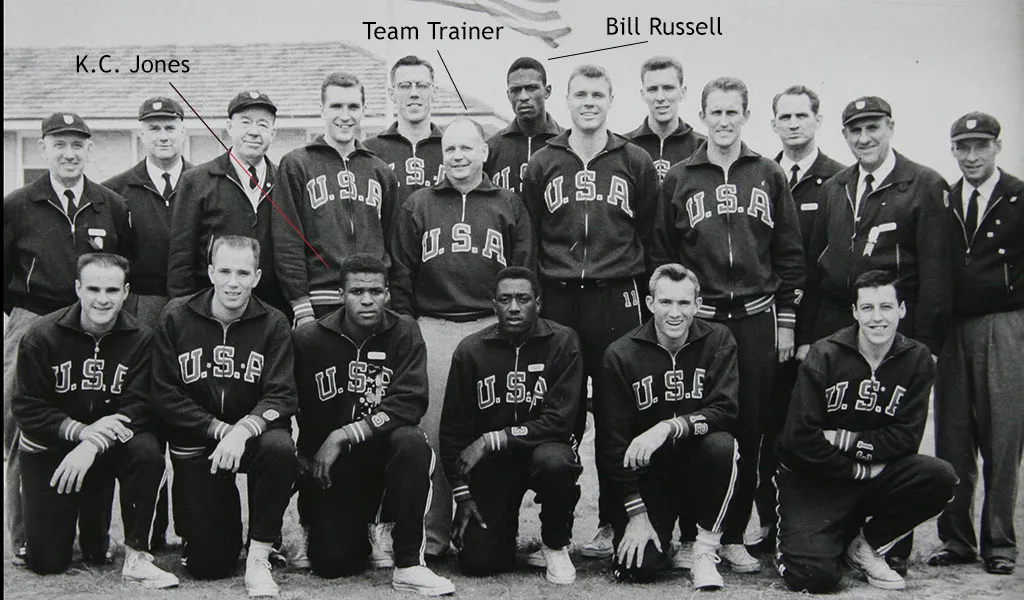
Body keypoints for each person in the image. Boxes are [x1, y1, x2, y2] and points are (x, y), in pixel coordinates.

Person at [650, 76, 805, 573]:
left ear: (745, 115)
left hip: (758, 319)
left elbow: (789, 253)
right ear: (703, 114)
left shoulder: (768, 174)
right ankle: (684, 533)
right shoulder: (679, 177)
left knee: (751, 431)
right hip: (704, 322)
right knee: (695, 425)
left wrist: (785, 323)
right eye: (714, 112)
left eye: (732, 112)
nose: (723, 121)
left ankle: (733, 535)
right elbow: (662, 254)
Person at [796, 96, 952, 573]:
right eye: (855, 130)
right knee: (835, 417)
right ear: (843, 135)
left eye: (873, 127)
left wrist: (922, 346)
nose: (864, 138)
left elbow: (938, 277)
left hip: (893, 331)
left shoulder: (924, 184)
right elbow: (816, 266)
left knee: (884, 423)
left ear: (890, 127)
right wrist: (806, 335)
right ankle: (833, 525)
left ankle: (882, 536)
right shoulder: (837, 185)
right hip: (838, 327)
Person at [521, 64, 660, 559]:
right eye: (580, 94)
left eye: (597, 94)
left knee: (618, 409)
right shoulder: (543, 161)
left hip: (616, 295)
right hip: (559, 295)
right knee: (562, 412)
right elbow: (531, 235)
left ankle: (613, 522)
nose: (588, 102)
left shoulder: (635, 159)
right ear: (567, 99)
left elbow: (649, 232)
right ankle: (555, 528)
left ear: (611, 99)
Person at [390, 117, 535, 557]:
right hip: (433, 326)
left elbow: (523, 270)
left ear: (484, 152)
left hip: (490, 328)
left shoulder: (508, 203)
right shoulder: (419, 203)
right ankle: (431, 536)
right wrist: (410, 329)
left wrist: (511, 331)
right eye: (450, 149)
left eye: (466, 149)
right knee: (433, 434)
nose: (457, 157)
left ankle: (487, 529)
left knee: (489, 431)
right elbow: (400, 273)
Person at [776, 269, 956, 592]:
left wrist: (845, 440)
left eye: (886, 307)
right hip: (816, 480)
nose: (877, 318)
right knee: (813, 577)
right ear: (855, 312)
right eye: (868, 308)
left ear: (901, 310)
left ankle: (865, 545)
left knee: (939, 477)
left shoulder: (917, 360)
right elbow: (799, 437)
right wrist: (859, 468)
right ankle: (829, 540)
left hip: (870, 477)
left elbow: (907, 437)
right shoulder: (825, 353)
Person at [4, 112, 133, 561]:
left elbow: (121, 268)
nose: (69, 153)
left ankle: (94, 536)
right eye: (59, 144)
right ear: (44, 148)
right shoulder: (18, 204)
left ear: (89, 149)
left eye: (77, 144)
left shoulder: (110, 204)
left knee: (95, 418)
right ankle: (25, 534)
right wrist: (22, 318)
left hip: (92, 327)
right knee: (26, 428)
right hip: (32, 320)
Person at [291, 253, 455, 595]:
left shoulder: (404, 331)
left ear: (387, 294)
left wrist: (346, 433)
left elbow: (410, 402)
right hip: (334, 468)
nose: (367, 300)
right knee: (332, 564)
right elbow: (293, 405)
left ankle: (408, 562)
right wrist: (304, 461)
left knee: (412, 441)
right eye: (356, 292)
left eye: (375, 291)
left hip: (384, 459)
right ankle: (354, 530)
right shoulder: (311, 338)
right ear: (340, 294)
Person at [12, 253, 176, 588]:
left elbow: (142, 404)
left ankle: (136, 555)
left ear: (126, 291)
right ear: (78, 288)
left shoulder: (142, 337)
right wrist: (81, 432)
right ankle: (82, 532)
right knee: (47, 562)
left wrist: (93, 443)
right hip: (55, 446)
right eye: (94, 289)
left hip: (109, 445)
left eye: (112, 290)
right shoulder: (41, 336)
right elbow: (26, 407)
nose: (103, 299)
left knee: (146, 449)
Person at [151, 235, 297, 597]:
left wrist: (242, 431)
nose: (234, 282)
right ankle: (219, 536)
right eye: (226, 271)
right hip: (200, 438)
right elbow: (165, 393)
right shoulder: (176, 315)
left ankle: (261, 553)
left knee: (280, 447)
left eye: (243, 273)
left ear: (257, 276)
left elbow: (282, 393)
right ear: (211, 272)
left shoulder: (273, 321)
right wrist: (218, 429)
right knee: (209, 564)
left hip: (253, 437)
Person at [594, 263, 740, 589]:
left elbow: (726, 411)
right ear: (649, 304)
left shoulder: (718, 340)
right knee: (637, 568)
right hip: (650, 479)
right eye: (666, 302)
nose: (675, 313)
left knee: (723, 445)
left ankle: (703, 548)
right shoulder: (621, 354)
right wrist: (635, 514)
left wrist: (668, 427)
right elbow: (611, 443)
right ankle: (665, 540)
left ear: (698, 305)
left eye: (684, 303)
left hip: (699, 470)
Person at [441, 266, 583, 584]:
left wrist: (495, 438)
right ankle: (501, 538)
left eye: (523, 298)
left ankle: (555, 543)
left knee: (555, 461)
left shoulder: (562, 341)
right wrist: (463, 495)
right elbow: (454, 430)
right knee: (478, 562)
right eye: (506, 299)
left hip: (543, 450)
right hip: (495, 467)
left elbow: (561, 422)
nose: (514, 307)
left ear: (539, 302)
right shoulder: (471, 350)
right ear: (494, 305)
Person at [928, 112, 1024, 575]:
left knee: (1002, 438)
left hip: (1004, 326)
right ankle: (956, 539)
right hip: (953, 329)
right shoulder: (945, 199)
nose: (971, 156)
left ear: (996, 147)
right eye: (962, 147)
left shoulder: (1019, 197)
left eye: (980, 146)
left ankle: (1000, 544)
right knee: (952, 437)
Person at [757, 85, 846, 550]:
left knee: (808, 428)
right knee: (766, 426)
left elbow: (826, 266)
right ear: (772, 123)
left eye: (801, 116)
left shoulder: (838, 180)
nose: (793, 124)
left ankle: (809, 527)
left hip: (812, 330)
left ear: (817, 120)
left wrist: (807, 331)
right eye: (784, 117)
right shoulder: (762, 174)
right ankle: (768, 526)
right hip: (764, 326)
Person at [102, 95, 192, 549]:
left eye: (170, 127)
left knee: (190, 414)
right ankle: (149, 534)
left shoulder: (202, 182)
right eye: (153, 127)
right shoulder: (117, 189)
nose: (162, 135)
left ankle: (194, 529)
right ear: (141, 133)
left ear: (183, 132)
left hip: (194, 307)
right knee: (143, 418)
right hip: (141, 306)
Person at [273, 72, 400, 325]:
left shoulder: (380, 171)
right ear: (321, 110)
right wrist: (300, 304)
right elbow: (287, 241)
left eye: (353, 107)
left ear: (364, 109)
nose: (345, 116)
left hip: (371, 300)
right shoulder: (297, 165)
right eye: (336, 106)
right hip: (319, 300)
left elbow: (393, 243)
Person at [167, 90, 290, 317]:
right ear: (229, 127)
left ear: (273, 133)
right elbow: (181, 256)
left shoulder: (285, 180)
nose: (254, 132)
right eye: (245, 123)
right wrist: (184, 311)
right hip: (212, 308)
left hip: (270, 310)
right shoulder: (198, 180)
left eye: (263, 125)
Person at [363, 55, 445, 208]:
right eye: (405, 86)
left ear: (434, 91)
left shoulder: (451, 149)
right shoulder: (368, 151)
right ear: (391, 93)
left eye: (422, 85)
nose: (414, 93)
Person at [484, 57, 564, 194]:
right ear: (508, 95)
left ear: (547, 91)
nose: (523, 97)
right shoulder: (491, 148)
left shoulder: (568, 143)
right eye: (516, 90)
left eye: (531, 88)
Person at [626, 56, 706, 184]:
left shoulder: (703, 147)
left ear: (682, 92)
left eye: (668, 88)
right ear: (643, 94)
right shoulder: (624, 147)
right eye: (652, 89)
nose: (660, 97)